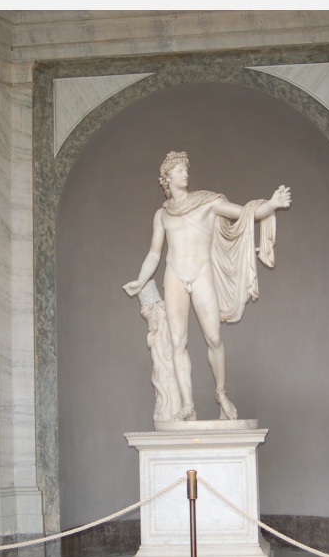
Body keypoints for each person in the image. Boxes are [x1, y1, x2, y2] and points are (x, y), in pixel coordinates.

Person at [123, 151, 291, 421]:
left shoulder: (207, 203)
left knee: (213, 338)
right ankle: (187, 405)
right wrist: (141, 280)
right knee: (178, 342)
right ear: (167, 177)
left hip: (201, 273)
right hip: (174, 276)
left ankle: (221, 394)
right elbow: (154, 253)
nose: (185, 173)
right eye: (179, 169)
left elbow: (244, 213)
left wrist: (271, 205)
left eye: (185, 169)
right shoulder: (162, 215)